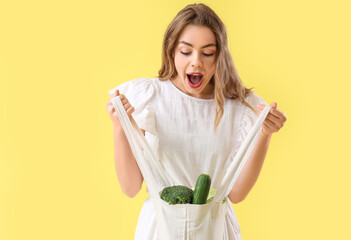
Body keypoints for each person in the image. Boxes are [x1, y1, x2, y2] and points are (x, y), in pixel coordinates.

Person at [106, 3, 287, 239]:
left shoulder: (239, 107)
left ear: (220, 56)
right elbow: (130, 188)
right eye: (186, 51)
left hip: (215, 229)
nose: (196, 62)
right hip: (160, 229)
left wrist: (265, 134)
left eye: (207, 53)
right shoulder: (149, 98)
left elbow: (237, 194)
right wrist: (120, 127)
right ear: (171, 51)